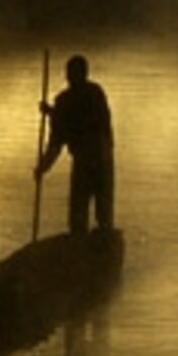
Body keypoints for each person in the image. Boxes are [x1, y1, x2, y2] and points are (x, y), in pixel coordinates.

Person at [37, 53, 114, 236]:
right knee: (84, 215)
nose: (72, 78)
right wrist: (43, 167)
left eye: (74, 74)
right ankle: (88, 242)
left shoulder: (89, 95)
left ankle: (99, 242)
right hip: (93, 159)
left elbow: (80, 125)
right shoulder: (84, 95)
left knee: (97, 212)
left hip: (96, 160)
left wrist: (54, 114)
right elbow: (59, 139)